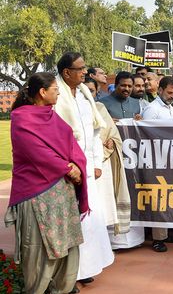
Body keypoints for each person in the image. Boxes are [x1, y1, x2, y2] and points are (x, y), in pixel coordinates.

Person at [6, 72, 88, 294]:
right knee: (39, 248)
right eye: (55, 89)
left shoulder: (52, 116)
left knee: (67, 243)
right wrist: (68, 169)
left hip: (63, 192)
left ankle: (63, 287)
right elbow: (38, 153)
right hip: (37, 194)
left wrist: (78, 167)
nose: (59, 93)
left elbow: (70, 142)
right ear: (42, 92)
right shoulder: (22, 119)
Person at [54, 52, 114, 287]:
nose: (84, 72)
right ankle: (68, 275)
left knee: (89, 221)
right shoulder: (56, 96)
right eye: (79, 69)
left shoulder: (85, 93)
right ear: (66, 72)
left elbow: (95, 131)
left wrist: (97, 163)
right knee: (72, 222)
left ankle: (85, 268)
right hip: (67, 168)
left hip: (88, 165)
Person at [83, 77, 131, 246]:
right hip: (81, 165)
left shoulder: (100, 108)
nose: (87, 93)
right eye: (84, 90)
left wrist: (110, 143)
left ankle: (102, 245)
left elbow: (114, 135)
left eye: (91, 90)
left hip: (102, 165)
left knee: (101, 208)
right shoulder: (71, 110)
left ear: (97, 92)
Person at [141, 76, 173, 251]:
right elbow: (146, 135)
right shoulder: (152, 109)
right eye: (170, 92)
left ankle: (166, 232)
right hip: (155, 160)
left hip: (171, 159)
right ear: (161, 90)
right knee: (158, 199)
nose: (172, 96)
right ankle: (158, 239)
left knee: (170, 196)